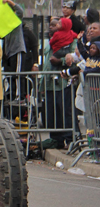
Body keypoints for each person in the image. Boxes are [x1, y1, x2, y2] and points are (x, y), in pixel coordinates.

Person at [40, 18, 77, 149]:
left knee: (65, 112)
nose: (52, 27)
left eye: (56, 24)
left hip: (63, 82)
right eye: (50, 25)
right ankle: (56, 140)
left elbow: (74, 58)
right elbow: (47, 60)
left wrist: (60, 61)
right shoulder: (52, 40)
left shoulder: (71, 39)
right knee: (52, 112)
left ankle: (70, 139)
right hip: (50, 82)